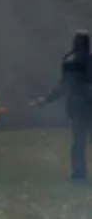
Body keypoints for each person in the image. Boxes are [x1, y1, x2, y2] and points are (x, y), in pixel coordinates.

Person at [32, 30, 92, 180]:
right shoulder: (74, 63)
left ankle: (79, 174)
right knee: (79, 142)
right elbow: (65, 87)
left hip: (83, 109)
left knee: (78, 142)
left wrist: (46, 100)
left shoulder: (71, 63)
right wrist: (45, 100)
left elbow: (64, 87)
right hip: (81, 109)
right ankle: (79, 174)